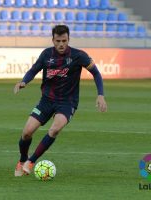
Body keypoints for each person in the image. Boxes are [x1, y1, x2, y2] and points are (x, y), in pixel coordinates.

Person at [13, 25, 107, 176]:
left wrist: (100, 94)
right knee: (26, 133)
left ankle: (31, 161)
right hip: (46, 100)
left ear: (68, 39)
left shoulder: (79, 55)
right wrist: (24, 81)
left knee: (55, 129)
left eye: (64, 40)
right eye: (58, 41)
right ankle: (22, 159)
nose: (61, 44)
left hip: (67, 102)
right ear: (53, 40)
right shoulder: (46, 54)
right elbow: (33, 70)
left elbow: (96, 73)